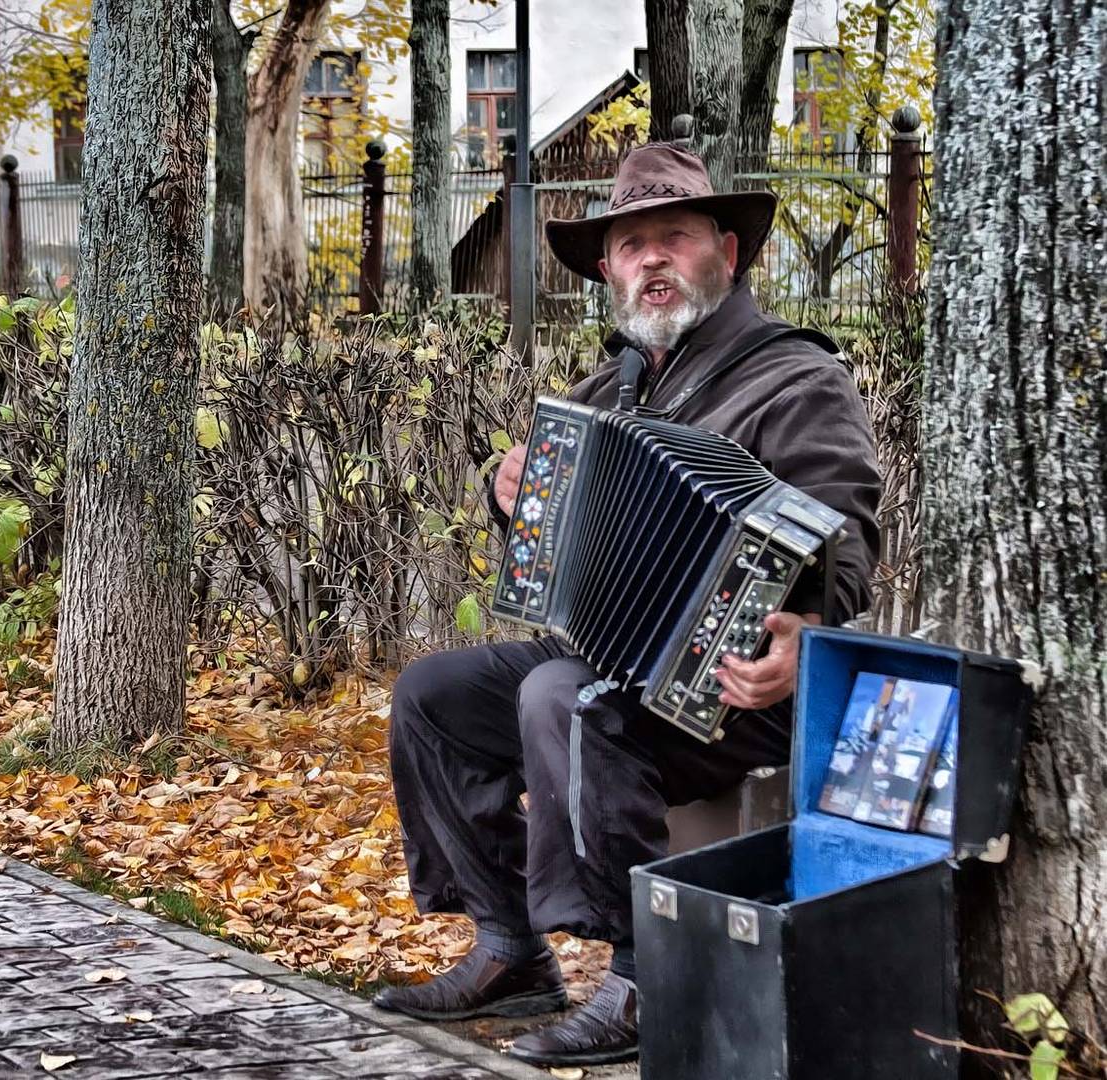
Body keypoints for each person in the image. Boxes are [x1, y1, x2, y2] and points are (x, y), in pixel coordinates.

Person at [372, 142, 883, 1068]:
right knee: (433, 695)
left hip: (740, 685)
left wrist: (807, 634)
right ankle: (510, 949)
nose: (652, 259)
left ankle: (647, 978)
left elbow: (845, 531)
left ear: (725, 251)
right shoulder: (609, 389)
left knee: (565, 696)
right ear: (607, 268)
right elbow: (547, 553)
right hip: (614, 665)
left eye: (674, 237)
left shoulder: (795, 376)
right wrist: (508, 492)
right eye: (631, 244)